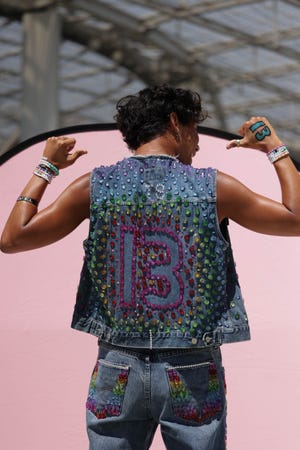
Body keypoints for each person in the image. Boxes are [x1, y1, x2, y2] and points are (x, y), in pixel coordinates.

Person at [1, 85, 300, 450]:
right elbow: (295, 218)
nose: (197, 142)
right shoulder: (213, 186)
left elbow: (13, 238)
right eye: (193, 130)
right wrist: (274, 148)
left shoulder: (94, 186)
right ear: (175, 123)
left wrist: (46, 167)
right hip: (191, 368)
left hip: (116, 366)